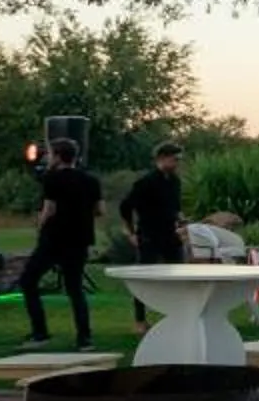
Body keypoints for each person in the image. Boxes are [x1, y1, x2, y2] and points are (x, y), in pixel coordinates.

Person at [17, 138, 105, 349]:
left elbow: (50, 209)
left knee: (28, 281)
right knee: (75, 289)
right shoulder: (91, 180)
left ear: (57, 156)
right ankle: (84, 338)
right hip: (80, 239)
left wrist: (39, 225)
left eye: (50, 154)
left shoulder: (52, 179)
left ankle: (40, 333)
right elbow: (100, 211)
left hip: (54, 238)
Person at [119, 142, 187, 325]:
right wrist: (130, 232)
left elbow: (175, 207)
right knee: (145, 277)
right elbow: (126, 206)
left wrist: (182, 223)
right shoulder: (146, 182)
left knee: (179, 276)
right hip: (149, 234)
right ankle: (140, 319)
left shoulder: (174, 181)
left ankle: (178, 315)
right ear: (162, 158)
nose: (177, 164)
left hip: (170, 234)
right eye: (174, 159)